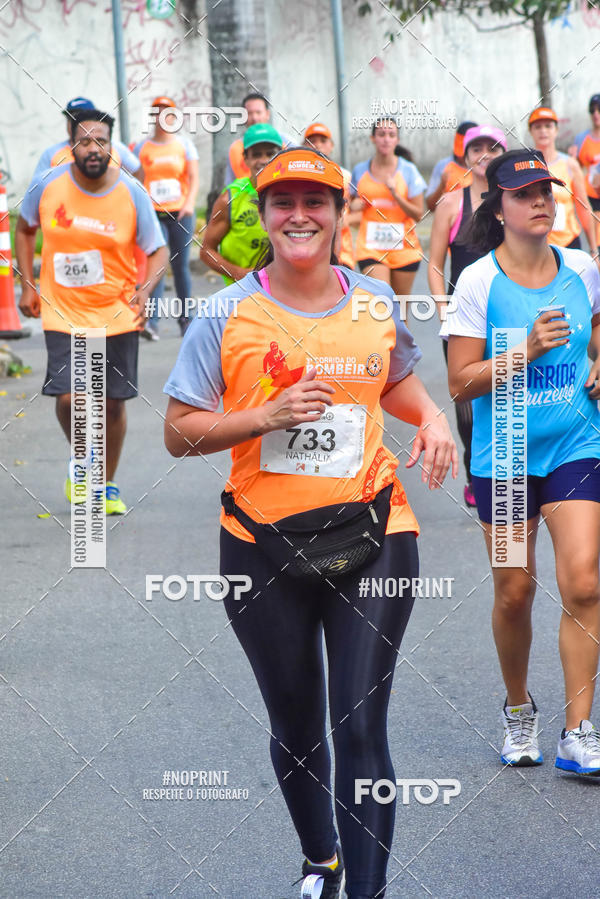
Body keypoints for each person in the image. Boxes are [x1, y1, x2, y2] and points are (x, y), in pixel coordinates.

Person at [164, 147, 457, 898]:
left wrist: (432, 421)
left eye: (316, 201)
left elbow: (397, 382)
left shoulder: (373, 302)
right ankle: (320, 858)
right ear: (263, 217)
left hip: (374, 528)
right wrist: (265, 414)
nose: (300, 214)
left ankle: (366, 890)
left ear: (339, 214)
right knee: (298, 730)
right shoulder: (228, 314)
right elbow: (178, 430)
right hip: (259, 542)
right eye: (283, 201)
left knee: (360, 724)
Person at [446, 148, 600, 775]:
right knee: (515, 590)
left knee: (585, 580)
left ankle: (579, 728)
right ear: (500, 207)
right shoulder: (479, 281)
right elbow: (459, 382)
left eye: (547, 190)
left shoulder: (584, 269)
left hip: (575, 443)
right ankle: (518, 710)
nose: (541, 201)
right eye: (525, 193)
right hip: (505, 447)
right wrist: (526, 350)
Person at [16, 109, 167, 514]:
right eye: (85, 141)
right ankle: (83, 464)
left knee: (113, 403)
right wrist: (28, 283)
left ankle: (107, 485)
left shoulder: (131, 191)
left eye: (101, 140)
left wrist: (145, 290)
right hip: (61, 309)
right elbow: (25, 228)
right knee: (69, 399)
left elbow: (157, 249)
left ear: (112, 146)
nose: (93, 148)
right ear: (72, 147)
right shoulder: (47, 184)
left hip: (116, 312)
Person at [428, 125, 507, 508]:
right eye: (477, 147)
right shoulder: (450, 203)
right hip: (462, 320)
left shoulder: (511, 201)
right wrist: (444, 311)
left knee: (506, 393)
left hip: (505, 312)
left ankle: (507, 467)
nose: (484, 154)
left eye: (493, 148)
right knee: (467, 402)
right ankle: (477, 474)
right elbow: (435, 264)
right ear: (465, 153)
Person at [133, 96, 200, 339]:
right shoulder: (143, 147)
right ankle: (152, 322)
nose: (161, 118)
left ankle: (186, 321)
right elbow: (136, 180)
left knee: (181, 267)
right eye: (156, 113)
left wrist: (190, 204)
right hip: (154, 213)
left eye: (166, 113)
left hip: (180, 212)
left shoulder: (184, 145)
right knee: (157, 267)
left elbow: (193, 177)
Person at [350, 119, 427, 294]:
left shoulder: (409, 171)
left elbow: (418, 214)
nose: (386, 139)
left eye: (391, 135)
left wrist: (395, 194)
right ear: (372, 138)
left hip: (404, 249)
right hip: (371, 248)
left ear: (397, 140)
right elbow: (347, 204)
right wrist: (354, 205)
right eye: (381, 134)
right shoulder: (360, 170)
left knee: (400, 312)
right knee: (382, 301)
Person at [200, 123, 282, 284]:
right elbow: (206, 251)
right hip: (241, 296)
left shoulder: (291, 194)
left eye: (270, 154)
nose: (264, 160)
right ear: (245, 158)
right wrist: (240, 274)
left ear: (280, 155)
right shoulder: (230, 198)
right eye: (257, 154)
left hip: (283, 291)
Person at [528, 107, 596, 252]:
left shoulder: (570, 165)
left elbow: (584, 208)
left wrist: (594, 250)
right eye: (538, 126)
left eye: (548, 126)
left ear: (556, 130)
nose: (543, 131)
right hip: (536, 248)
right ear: (531, 131)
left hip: (568, 244)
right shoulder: (526, 167)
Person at [33, 97, 142, 180]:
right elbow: (37, 187)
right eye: (70, 118)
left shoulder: (115, 147)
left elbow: (137, 171)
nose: (74, 123)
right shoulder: (51, 153)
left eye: (79, 118)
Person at [304, 122, 355, 270]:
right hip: (306, 252)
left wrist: (344, 219)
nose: (317, 145)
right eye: (312, 141)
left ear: (332, 145)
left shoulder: (346, 177)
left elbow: (364, 213)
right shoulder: (298, 179)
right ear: (304, 145)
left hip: (342, 255)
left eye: (323, 141)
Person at [224, 92, 293, 185]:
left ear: (267, 114)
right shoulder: (235, 148)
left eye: (258, 112)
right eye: (249, 113)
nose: (254, 118)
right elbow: (230, 184)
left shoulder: (287, 142)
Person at [425, 121, 478, 212]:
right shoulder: (443, 167)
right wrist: (442, 185)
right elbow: (431, 207)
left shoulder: (482, 170)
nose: (463, 157)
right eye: (461, 152)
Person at [571, 94, 600, 254]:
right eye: (592, 110)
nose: (596, 114)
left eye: (599, 109)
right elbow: (576, 168)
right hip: (593, 199)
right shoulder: (581, 138)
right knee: (596, 246)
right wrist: (572, 157)